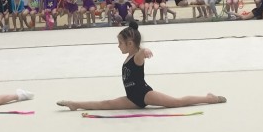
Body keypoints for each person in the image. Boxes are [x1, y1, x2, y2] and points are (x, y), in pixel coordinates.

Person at [57, 20, 226, 111]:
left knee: (176, 102)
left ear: (130, 43)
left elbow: (142, 52)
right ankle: (75, 104)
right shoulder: (129, 56)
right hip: (131, 98)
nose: (118, 46)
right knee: (105, 104)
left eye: (120, 43)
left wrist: (145, 51)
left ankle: (209, 98)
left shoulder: (137, 56)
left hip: (145, 95)